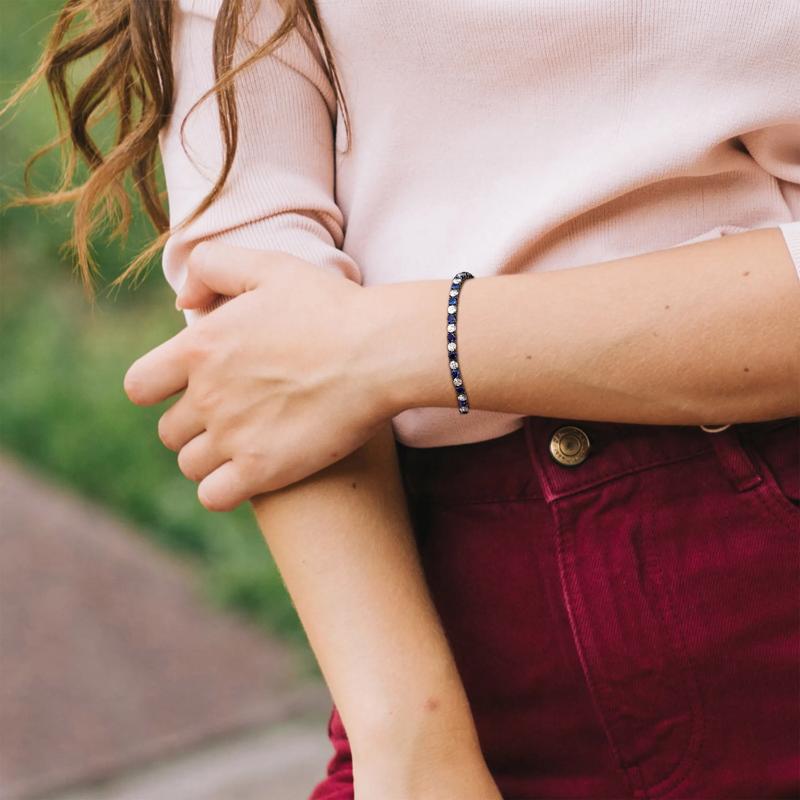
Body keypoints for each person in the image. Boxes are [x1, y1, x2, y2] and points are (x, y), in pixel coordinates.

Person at [9, 0, 800, 797]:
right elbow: (260, 290)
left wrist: (384, 346)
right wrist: (408, 742)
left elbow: (302, 352)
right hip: (446, 610)